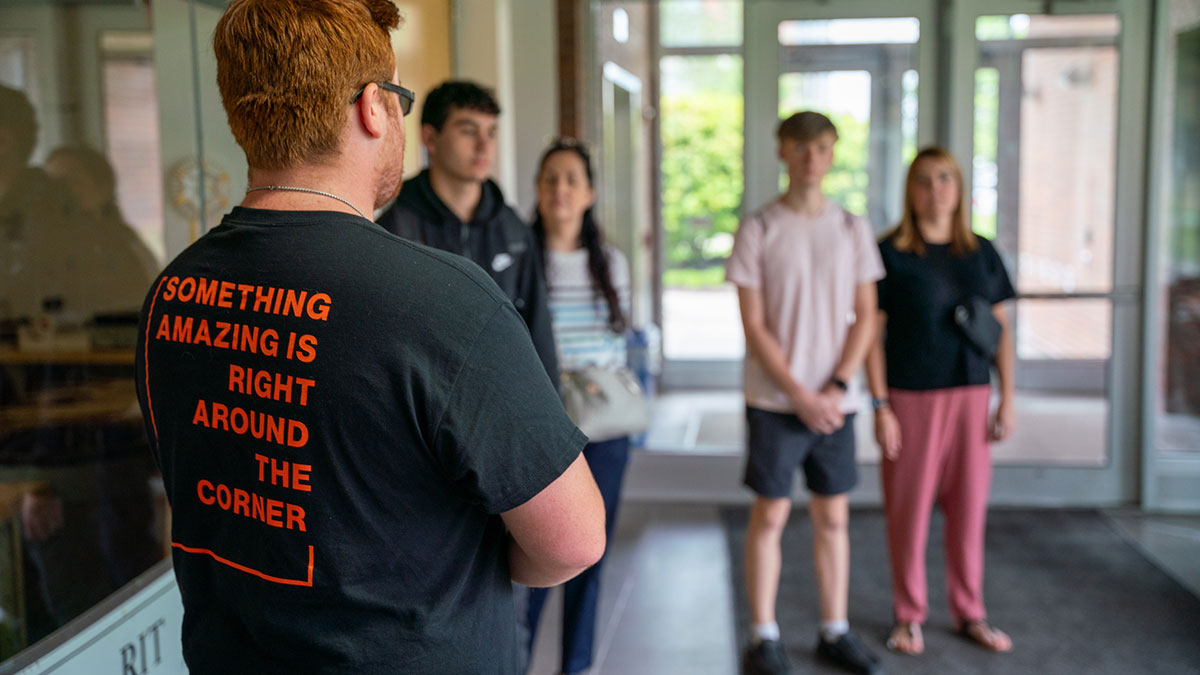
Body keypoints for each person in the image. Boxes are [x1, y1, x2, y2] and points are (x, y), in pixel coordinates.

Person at [135, 1, 605, 672]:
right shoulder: (443, 301)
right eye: (401, 102)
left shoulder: (172, 292)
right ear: (373, 108)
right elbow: (573, 540)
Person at [725, 111, 885, 675]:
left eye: (822, 147)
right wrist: (798, 393)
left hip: (835, 402)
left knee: (833, 519)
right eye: (801, 147)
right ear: (783, 152)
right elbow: (753, 325)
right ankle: (763, 636)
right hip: (775, 402)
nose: (812, 158)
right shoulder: (759, 228)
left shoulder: (852, 228)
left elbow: (866, 316)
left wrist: (836, 386)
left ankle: (834, 630)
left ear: (832, 154)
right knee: (770, 516)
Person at [865, 146, 1016, 656]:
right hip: (911, 399)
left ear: (960, 188)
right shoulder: (890, 254)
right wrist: (880, 407)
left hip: (972, 395)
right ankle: (908, 616)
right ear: (911, 190)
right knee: (908, 514)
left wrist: (1007, 399)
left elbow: (1001, 331)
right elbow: (871, 337)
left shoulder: (982, 253)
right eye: (925, 180)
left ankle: (970, 611)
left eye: (945, 178)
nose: (936, 189)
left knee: (969, 512)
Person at [525, 138, 632, 675]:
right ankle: (515, 659)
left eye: (571, 179)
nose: (560, 189)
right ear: (537, 190)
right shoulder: (522, 258)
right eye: (550, 179)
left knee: (590, 551)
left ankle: (578, 665)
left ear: (589, 193)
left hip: (603, 428)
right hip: (540, 424)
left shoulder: (611, 263)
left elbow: (617, 345)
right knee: (535, 553)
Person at [376, 80, 559, 388]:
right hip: (425, 405)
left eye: (491, 133)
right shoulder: (394, 231)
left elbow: (539, 331)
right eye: (468, 131)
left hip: (502, 401)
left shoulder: (514, 231)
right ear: (430, 138)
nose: (484, 146)